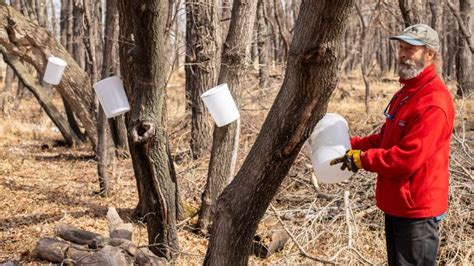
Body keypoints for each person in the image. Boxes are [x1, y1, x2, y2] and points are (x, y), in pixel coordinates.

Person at [331, 24, 455, 265]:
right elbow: (385, 139)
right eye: (400, 47)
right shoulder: (407, 93)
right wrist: (348, 144)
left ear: (429, 54)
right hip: (397, 205)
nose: (402, 53)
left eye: (410, 48)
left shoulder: (433, 101)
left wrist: (362, 159)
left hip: (417, 211)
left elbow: (407, 158)